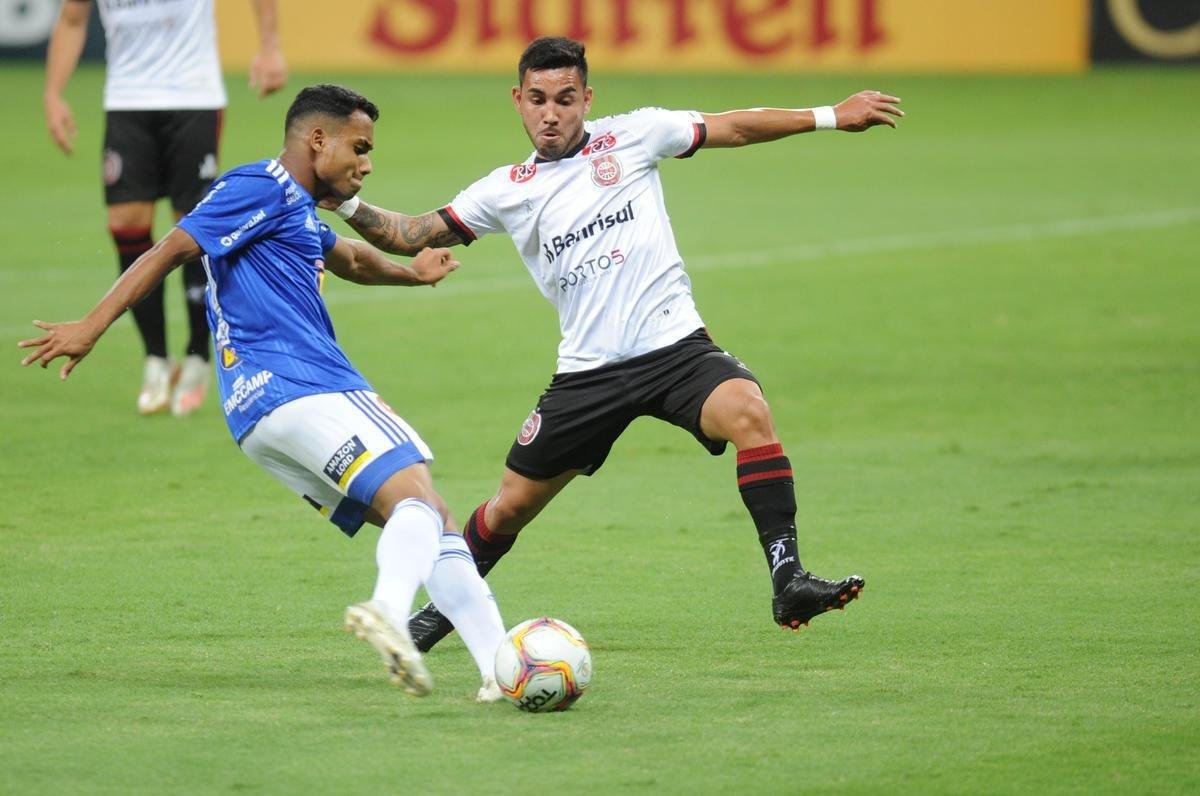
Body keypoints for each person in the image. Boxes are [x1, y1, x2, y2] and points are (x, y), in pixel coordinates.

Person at [331, 37, 904, 651]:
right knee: (508, 509)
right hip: (587, 376)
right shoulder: (505, 189)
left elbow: (732, 126)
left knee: (749, 411)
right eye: (537, 99)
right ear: (517, 101)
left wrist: (828, 115)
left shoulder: (635, 135)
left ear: (587, 99)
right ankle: (433, 619)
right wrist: (344, 199)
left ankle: (787, 577)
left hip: (676, 350)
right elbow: (412, 232)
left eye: (566, 99)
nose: (551, 113)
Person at [20, 83, 507, 701]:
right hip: (302, 381)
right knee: (416, 492)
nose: (367, 162)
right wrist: (91, 326)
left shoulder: (295, 208)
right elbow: (171, 248)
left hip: (258, 415)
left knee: (426, 516)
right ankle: (388, 609)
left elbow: (351, 259)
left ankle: (498, 668)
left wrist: (412, 274)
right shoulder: (259, 187)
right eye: (359, 147)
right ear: (317, 139)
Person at [44, 0, 289, 416]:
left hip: (193, 95)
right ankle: (155, 360)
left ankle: (197, 357)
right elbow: (71, 18)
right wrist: (53, 92)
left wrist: (269, 46)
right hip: (126, 99)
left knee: (193, 227)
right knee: (125, 223)